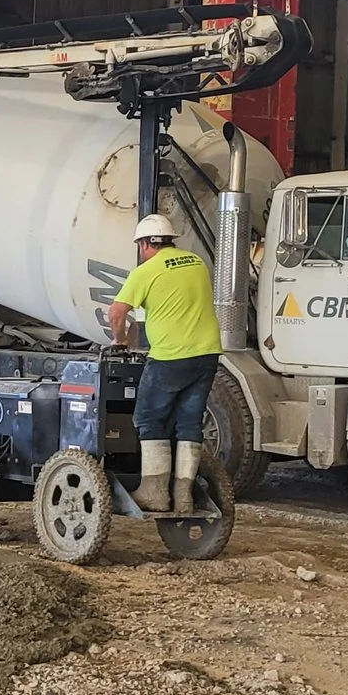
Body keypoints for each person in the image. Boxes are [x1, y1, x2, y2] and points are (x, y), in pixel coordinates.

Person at [106, 213, 222, 514]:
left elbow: (117, 313)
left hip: (172, 356)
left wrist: (119, 340)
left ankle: (156, 492)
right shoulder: (196, 263)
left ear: (145, 244)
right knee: (188, 421)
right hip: (207, 354)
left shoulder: (146, 271)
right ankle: (182, 495)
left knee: (148, 418)